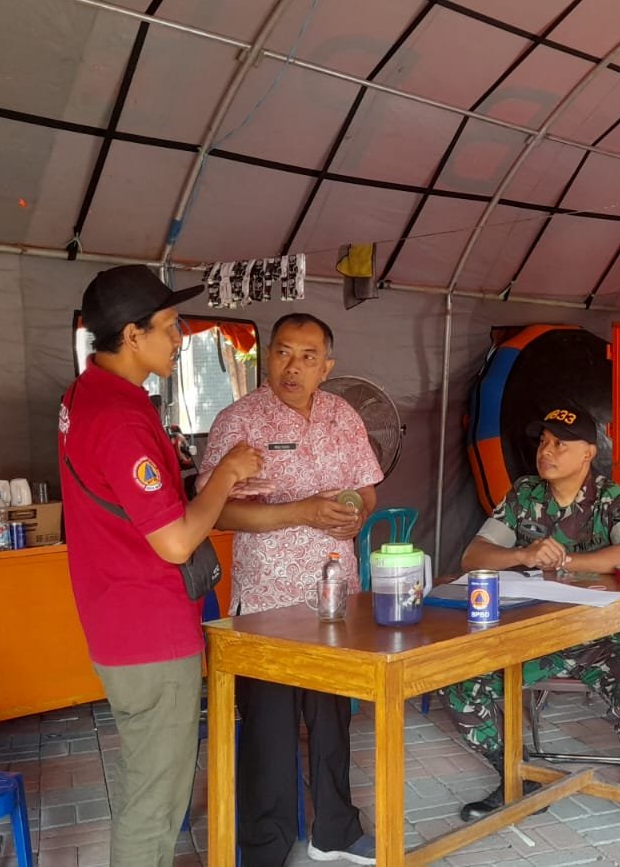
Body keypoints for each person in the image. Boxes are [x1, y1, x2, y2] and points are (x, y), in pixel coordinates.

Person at [58, 264, 263, 867]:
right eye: (170, 326)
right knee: (156, 800)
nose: (180, 338)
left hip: (115, 619)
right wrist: (225, 475)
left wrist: (196, 483)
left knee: (144, 778)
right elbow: (174, 543)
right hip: (149, 630)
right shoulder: (119, 418)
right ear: (131, 335)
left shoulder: (84, 395)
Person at [442, 404, 620, 829]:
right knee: (460, 683)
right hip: (533, 637)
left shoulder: (612, 499)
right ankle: (517, 776)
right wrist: (522, 554)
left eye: (560, 444)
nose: (546, 451)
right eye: (543, 442)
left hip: (604, 637)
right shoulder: (524, 495)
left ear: (588, 452)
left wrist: (568, 560)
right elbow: (473, 556)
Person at [200, 313, 383, 867]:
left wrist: (356, 514)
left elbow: (367, 489)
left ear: (326, 366)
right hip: (267, 603)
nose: (293, 367)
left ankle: (336, 831)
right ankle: (265, 845)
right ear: (266, 357)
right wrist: (300, 512)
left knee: (332, 717)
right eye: (282, 352)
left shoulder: (343, 415)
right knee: (270, 728)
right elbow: (217, 512)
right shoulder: (239, 421)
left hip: (335, 598)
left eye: (308, 356)